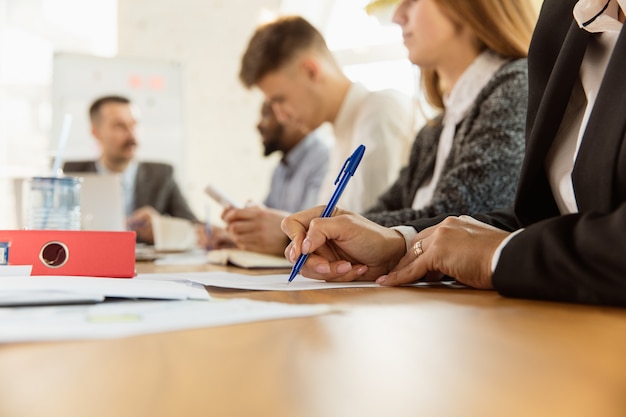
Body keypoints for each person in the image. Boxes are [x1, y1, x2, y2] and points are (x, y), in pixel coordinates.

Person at [281, 0, 626, 307]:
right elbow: (543, 215)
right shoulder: (563, 19)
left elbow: (473, 213)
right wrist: (399, 243)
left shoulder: (512, 86)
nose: (397, 15)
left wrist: (499, 254)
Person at [363, 0, 536, 227]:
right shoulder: (434, 130)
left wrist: (345, 230)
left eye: (412, 1)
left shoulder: (517, 89)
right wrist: (329, 226)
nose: (397, 16)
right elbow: (388, 207)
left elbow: (458, 222)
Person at [239, 15, 415, 214]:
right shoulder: (340, 135)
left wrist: (282, 231)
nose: (280, 116)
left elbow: (367, 227)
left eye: (280, 100)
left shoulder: (380, 111)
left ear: (311, 71)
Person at [198, 101, 330, 254]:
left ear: (292, 115)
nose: (258, 125)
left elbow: (315, 230)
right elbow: (268, 224)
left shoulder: (326, 158)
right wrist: (236, 235)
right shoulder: (280, 169)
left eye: (266, 115)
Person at [64, 95, 198, 244]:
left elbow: (194, 228)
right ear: (96, 132)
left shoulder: (162, 175)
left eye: (134, 125)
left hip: (146, 265)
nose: (132, 135)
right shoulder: (71, 175)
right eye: (120, 126)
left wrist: (161, 229)